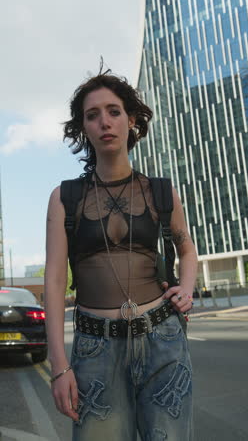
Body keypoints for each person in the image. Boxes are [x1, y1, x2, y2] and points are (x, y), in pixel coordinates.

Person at [44, 70, 198, 441]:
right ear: (84, 128)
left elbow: (187, 248)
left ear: (131, 120)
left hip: (163, 339)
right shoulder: (64, 198)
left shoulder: (161, 192)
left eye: (113, 111)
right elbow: (52, 282)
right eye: (92, 115)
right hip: (95, 348)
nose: (104, 122)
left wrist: (187, 287)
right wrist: (59, 366)